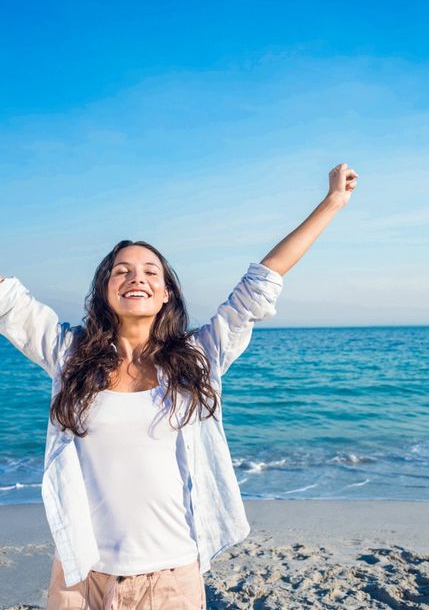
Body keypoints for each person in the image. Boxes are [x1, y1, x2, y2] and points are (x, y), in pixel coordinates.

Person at [0, 163, 358, 609]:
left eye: (151, 272)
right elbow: (8, 301)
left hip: (171, 577)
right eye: (121, 271)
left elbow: (263, 280)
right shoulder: (68, 354)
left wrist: (331, 203)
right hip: (81, 577)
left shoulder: (199, 357)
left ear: (166, 292)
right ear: (104, 292)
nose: (137, 278)